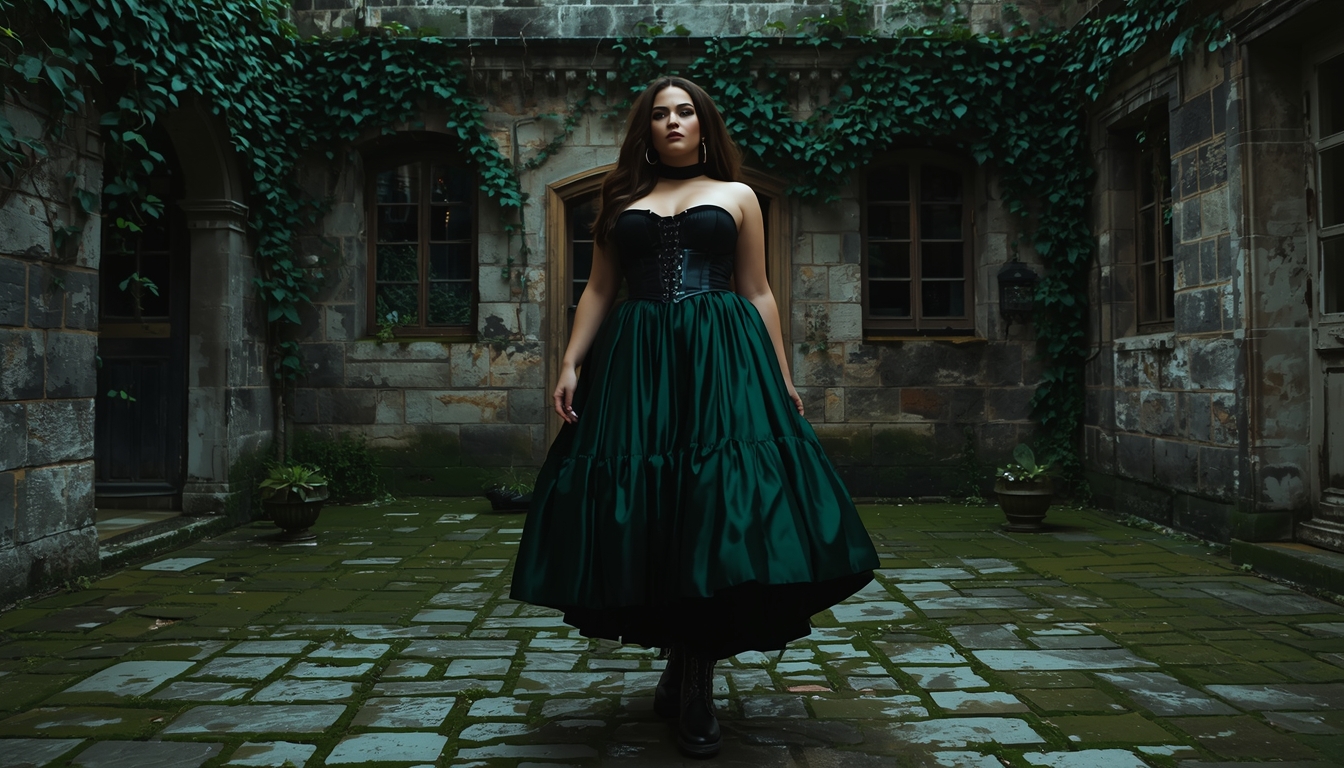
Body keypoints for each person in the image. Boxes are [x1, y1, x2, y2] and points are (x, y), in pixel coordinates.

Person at [510, 75, 880, 759]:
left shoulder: (738, 197)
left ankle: (697, 679)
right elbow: (598, 289)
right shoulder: (619, 199)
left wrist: (782, 373)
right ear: (645, 129)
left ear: (704, 125)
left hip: (722, 362)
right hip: (639, 362)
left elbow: (758, 290)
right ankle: (682, 660)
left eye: (684, 111)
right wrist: (568, 363)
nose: (673, 121)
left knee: (713, 508)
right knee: (654, 508)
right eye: (660, 114)